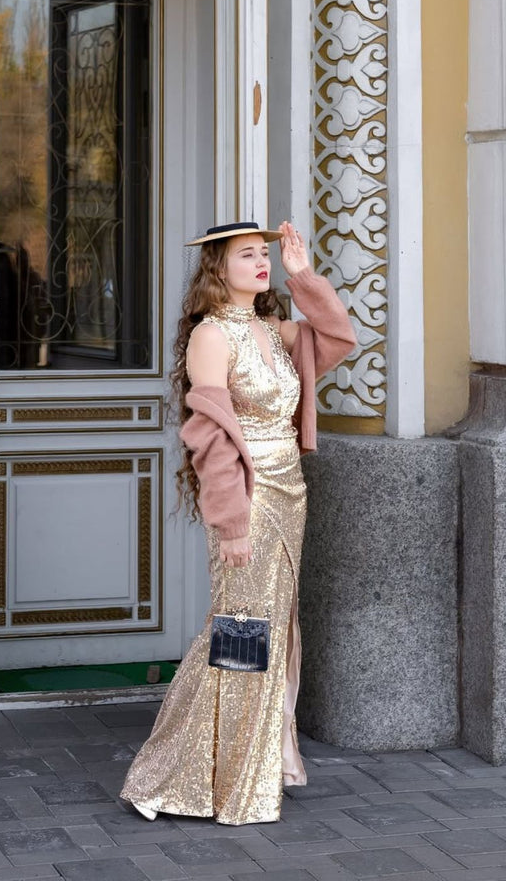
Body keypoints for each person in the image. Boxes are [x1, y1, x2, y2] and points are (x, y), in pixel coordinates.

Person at [120, 219, 356, 826]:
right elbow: (212, 440)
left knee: (273, 629)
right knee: (239, 631)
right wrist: (232, 523)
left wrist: (303, 274)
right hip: (248, 503)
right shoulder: (210, 336)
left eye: (264, 255)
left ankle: (254, 767)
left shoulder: (277, 331)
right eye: (245, 255)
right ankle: (190, 774)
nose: (260, 263)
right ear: (217, 268)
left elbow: (338, 335)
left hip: (290, 495)